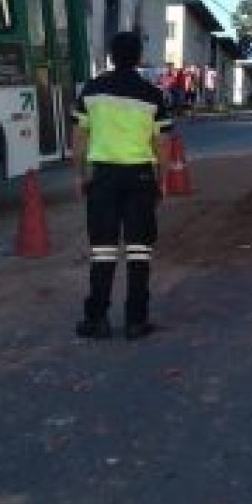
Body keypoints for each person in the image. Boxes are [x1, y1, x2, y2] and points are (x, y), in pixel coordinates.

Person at [72, 32, 172, 341]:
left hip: (102, 177)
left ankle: (97, 319)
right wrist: (161, 180)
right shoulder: (152, 95)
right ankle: (135, 321)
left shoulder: (92, 90)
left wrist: (83, 175)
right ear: (139, 57)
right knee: (139, 251)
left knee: (103, 250)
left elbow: (78, 140)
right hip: (140, 178)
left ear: (111, 55)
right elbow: (163, 144)